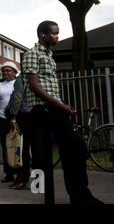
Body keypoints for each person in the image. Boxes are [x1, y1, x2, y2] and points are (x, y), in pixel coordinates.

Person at [23, 21, 103, 204]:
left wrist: (62, 106)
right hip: (42, 109)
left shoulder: (49, 55)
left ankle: (79, 195)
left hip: (53, 107)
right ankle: (80, 195)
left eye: (58, 34)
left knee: (74, 149)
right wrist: (60, 106)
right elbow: (34, 86)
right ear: (43, 35)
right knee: (75, 144)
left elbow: (49, 86)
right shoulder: (32, 54)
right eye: (54, 34)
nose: (57, 37)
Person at [0, 61, 19, 182]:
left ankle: (20, 172)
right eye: (3, 71)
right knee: (6, 146)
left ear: (14, 72)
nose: (5, 73)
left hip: (16, 118)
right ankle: (9, 174)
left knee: (16, 145)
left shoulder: (18, 83)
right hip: (3, 118)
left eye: (8, 71)